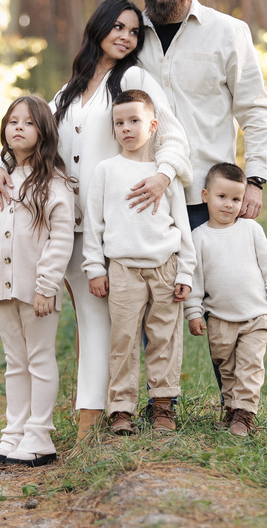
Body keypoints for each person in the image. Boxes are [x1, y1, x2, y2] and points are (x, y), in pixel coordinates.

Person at [0, 0, 192, 440]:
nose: (125, 36)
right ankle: (27, 425)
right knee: (41, 317)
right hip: (56, 223)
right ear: (97, 27)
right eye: (117, 27)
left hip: (106, 227)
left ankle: (91, 424)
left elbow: (172, 133)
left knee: (99, 325)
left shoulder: (133, 78)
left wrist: (162, 175)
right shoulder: (69, 89)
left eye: (134, 31)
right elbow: (32, 132)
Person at [135, 0, 267, 229]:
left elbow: (256, 110)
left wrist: (255, 180)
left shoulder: (228, 32)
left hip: (210, 200)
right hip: (145, 199)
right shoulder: (127, 38)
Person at [0, 95, 75, 467]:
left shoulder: (54, 185)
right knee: (15, 362)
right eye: (13, 121)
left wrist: (47, 286)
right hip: (2, 288)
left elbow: (61, 239)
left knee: (39, 360)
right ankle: (13, 433)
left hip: (37, 292)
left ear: (43, 132)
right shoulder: (2, 182)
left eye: (28, 123)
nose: (19, 128)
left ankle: (39, 436)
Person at [82, 89, 195, 434]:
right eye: (119, 122)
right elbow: (93, 224)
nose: (126, 128)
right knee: (124, 340)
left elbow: (182, 227)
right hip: (123, 268)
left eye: (134, 120)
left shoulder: (166, 175)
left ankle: (163, 406)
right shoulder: (106, 171)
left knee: (164, 337)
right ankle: (121, 410)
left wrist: (186, 271)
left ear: (153, 125)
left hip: (164, 266)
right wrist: (95, 267)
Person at [184, 163, 267, 436]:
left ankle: (245, 413)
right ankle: (231, 409)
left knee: (249, 366)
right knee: (226, 367)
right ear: (205, 196)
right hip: (219, 317)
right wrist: (194, 312)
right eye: (222, 197)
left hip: (255, 315)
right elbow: (195, 281)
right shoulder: (199, 237)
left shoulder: (251, 230)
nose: (229, 205)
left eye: (236, 199)